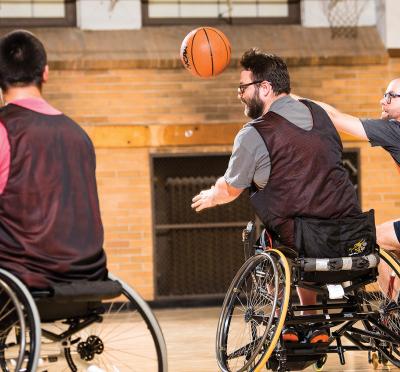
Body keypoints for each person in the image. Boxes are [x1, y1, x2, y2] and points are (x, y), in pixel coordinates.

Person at [191, 48, 363, 343]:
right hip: (352, 234)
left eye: (243, 87)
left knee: (272, 241)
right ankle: (313, 320)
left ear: (265, 87)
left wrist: (213, 194)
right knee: (306, 223)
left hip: (303, 242)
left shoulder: (253, 133)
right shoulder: (321, 114)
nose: (240, 94)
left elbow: (231, 190)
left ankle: (284, 320)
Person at [0, 30, 107, 289]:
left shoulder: (5, 129)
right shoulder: (78, 135)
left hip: (23, 275)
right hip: (87, 272)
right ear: (45, 73)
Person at [302, 79, 400, 251]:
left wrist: (285, 99)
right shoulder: (392, 131)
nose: (383, 100)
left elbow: (334, 117)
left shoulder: (393, 131)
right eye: (385, 95)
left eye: (391, 96)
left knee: (372, 239)